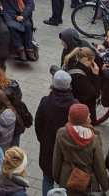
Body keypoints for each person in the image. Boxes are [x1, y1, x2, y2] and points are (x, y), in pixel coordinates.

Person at [34, 68, 77, 196]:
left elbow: (38, 123)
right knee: (64, 181)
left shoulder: (45, 101)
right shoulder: (74, 105)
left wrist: (42, 139)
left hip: (47, 147)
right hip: (67, 150)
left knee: (47, 178)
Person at [52, 102, 108, 195]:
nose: (90, 116)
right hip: (87, 179)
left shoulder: (61, 133)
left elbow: (57, 158)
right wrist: (104, 185)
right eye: (88, 115)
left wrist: (57, 177)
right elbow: (99, 164)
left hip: (67, 176)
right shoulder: (94, 138)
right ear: (84, 119)